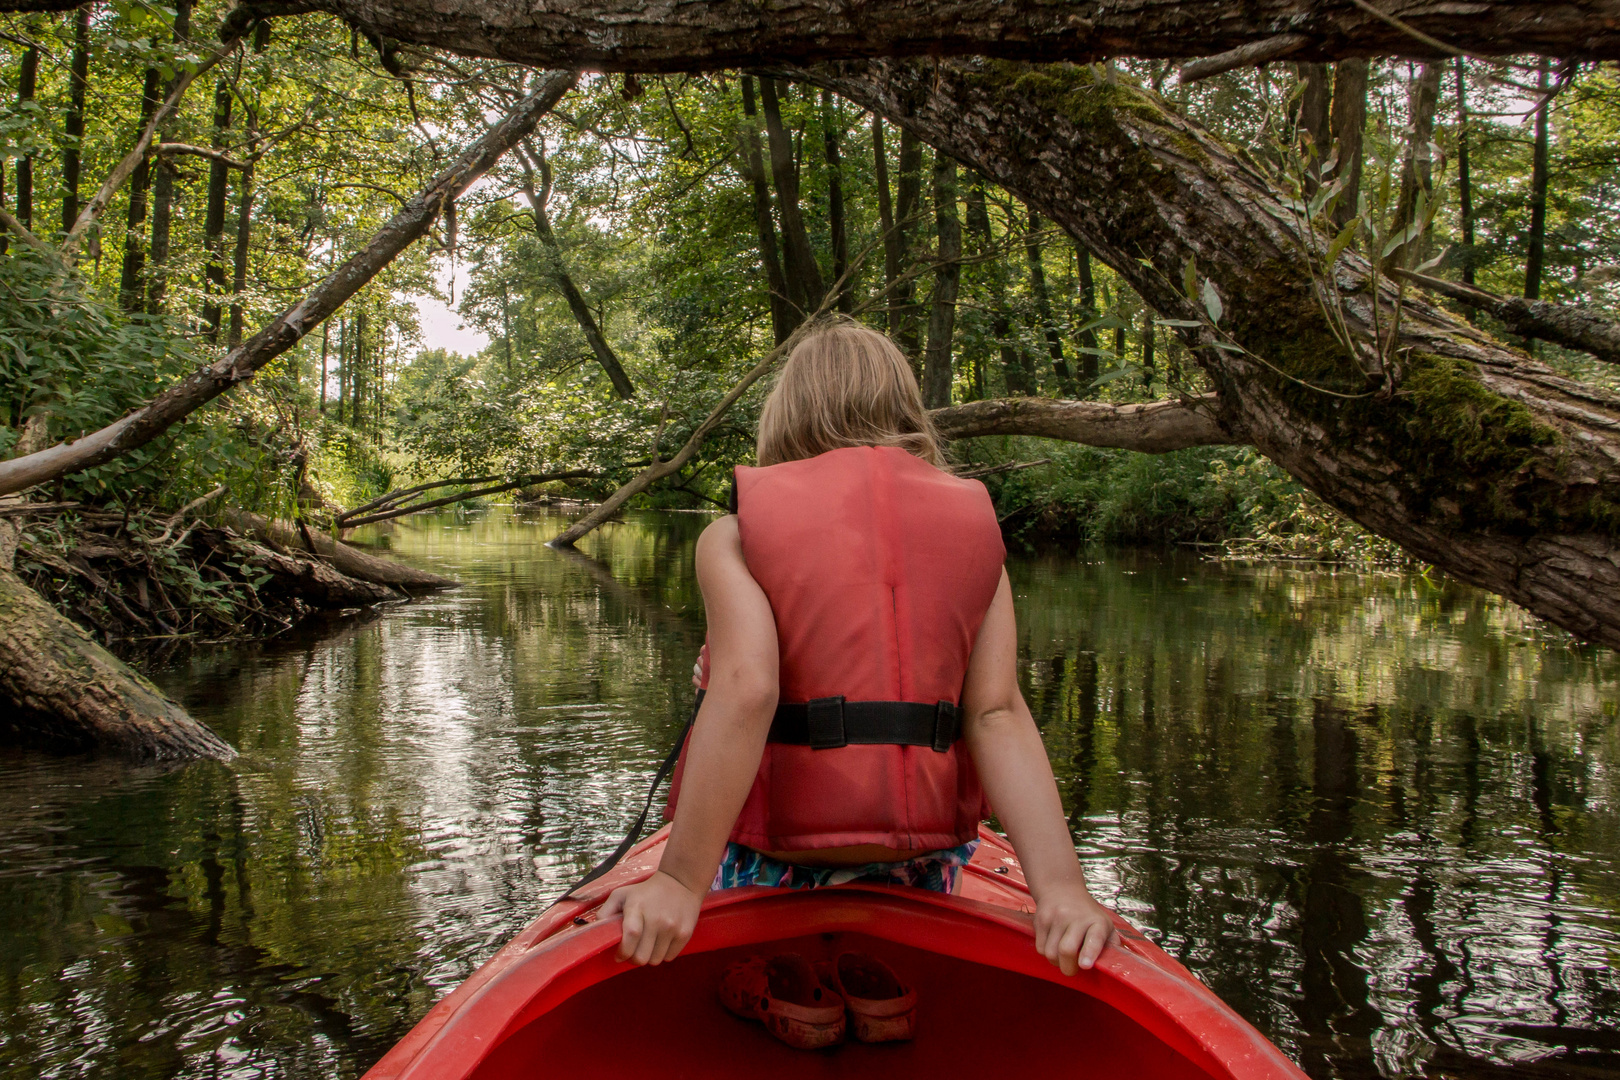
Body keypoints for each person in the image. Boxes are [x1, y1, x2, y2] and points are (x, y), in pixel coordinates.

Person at [601, 318, 1116, 977]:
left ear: (784, 417)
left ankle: (782, 985)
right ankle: (878, 990)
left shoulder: (733, 535)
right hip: (920, 869)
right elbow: (996, 714)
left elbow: (749, 688)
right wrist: (1063, 892)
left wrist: (676, 881)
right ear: (905, 410)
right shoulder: (977, 535)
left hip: (776, 864)